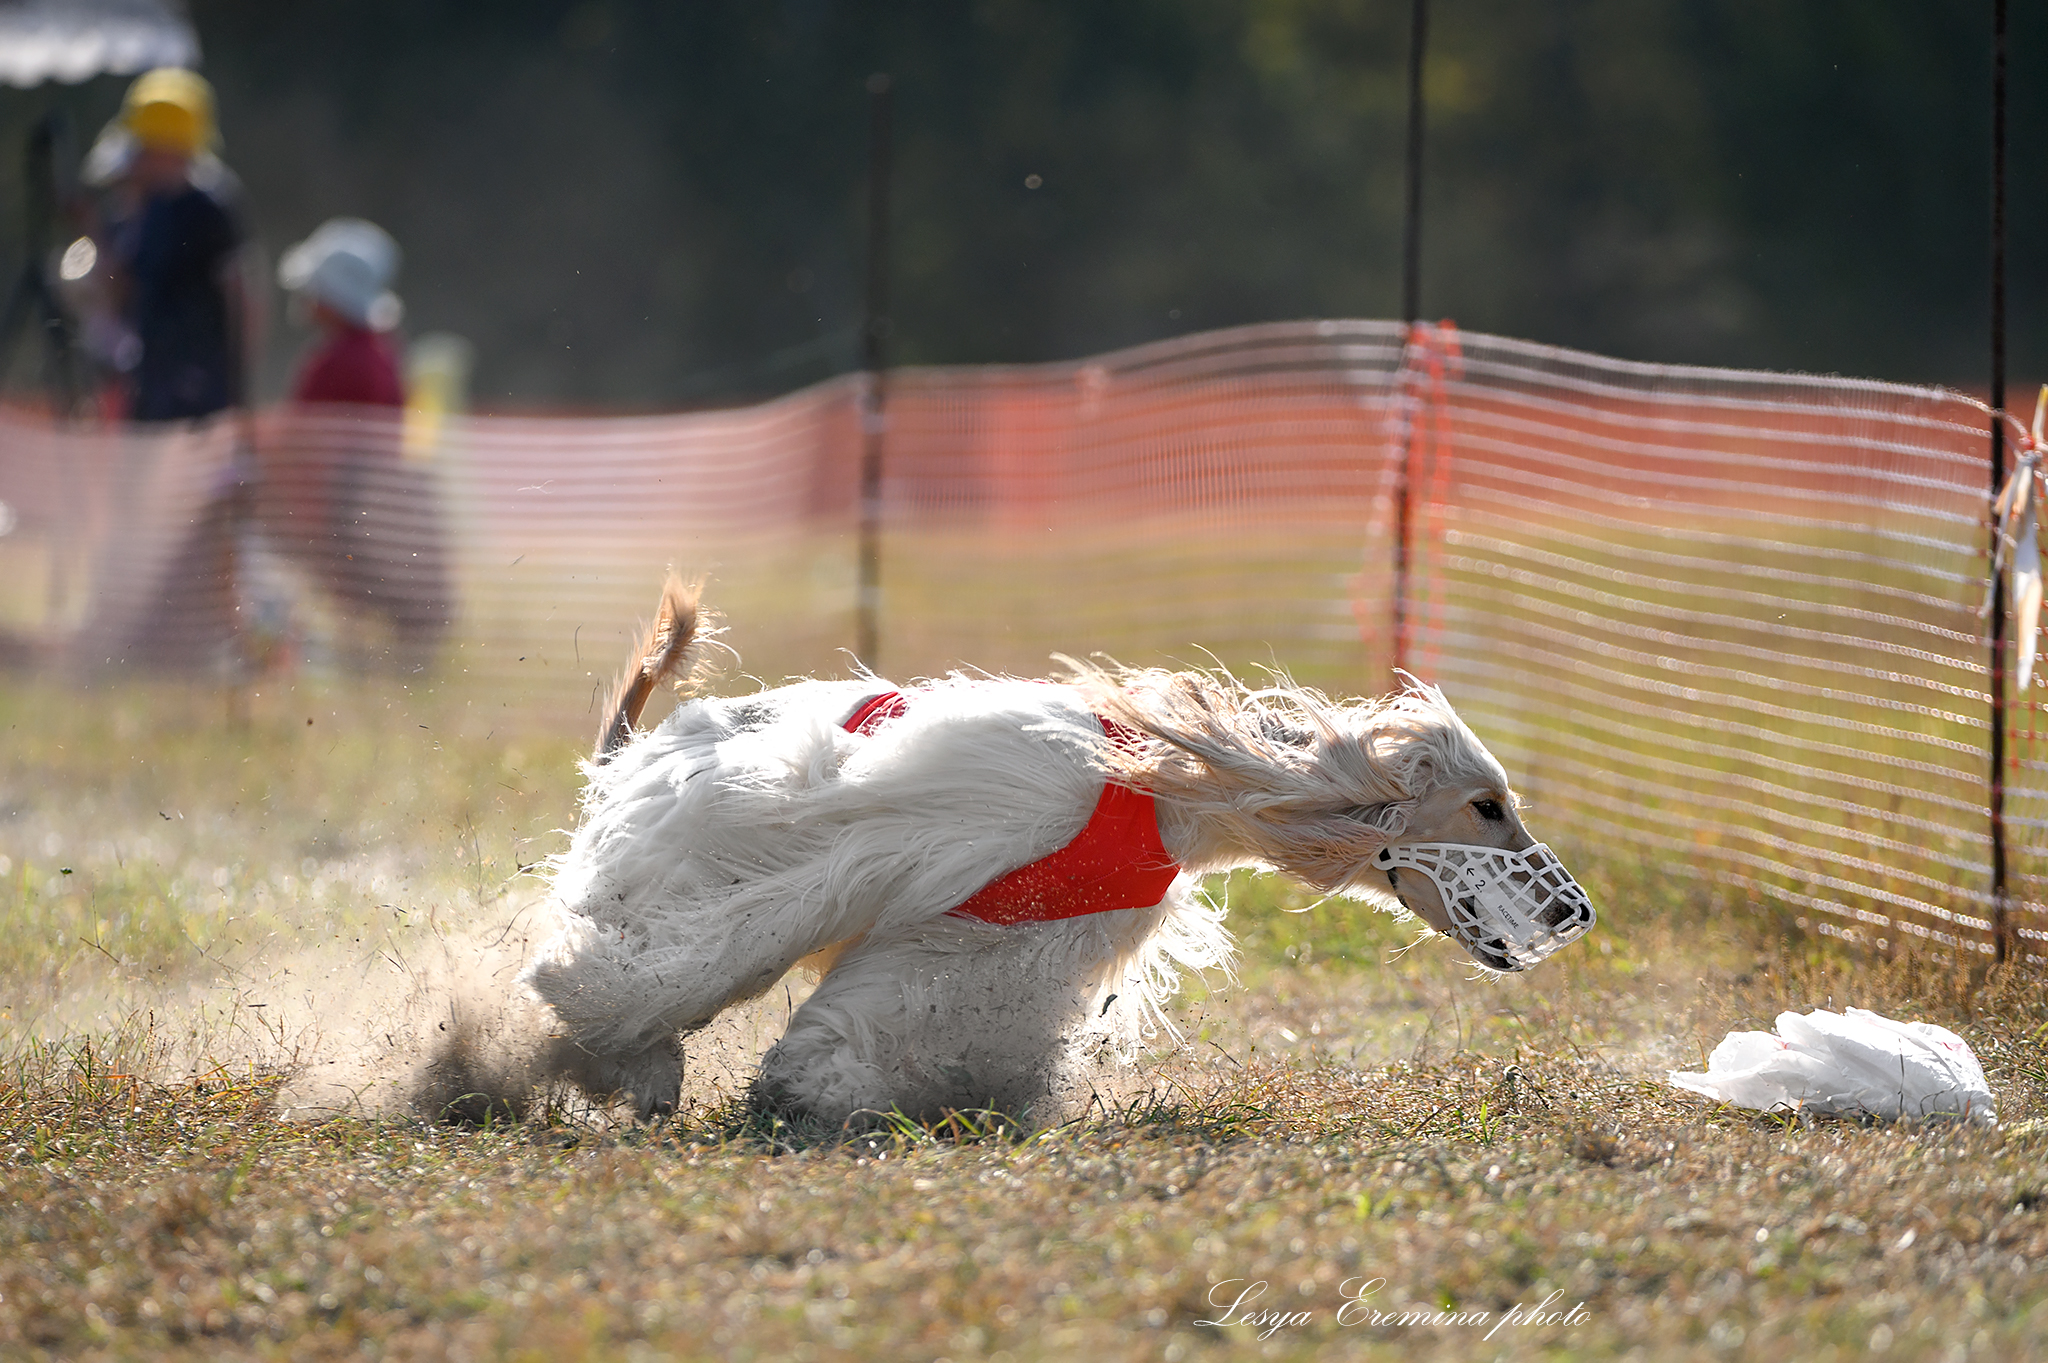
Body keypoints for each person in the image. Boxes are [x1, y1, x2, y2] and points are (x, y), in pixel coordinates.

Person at [273, 217, 450, 662]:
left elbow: (300, 438)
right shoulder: (381, 351)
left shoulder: (339, 360)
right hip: (366, 493)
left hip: (341, 498)